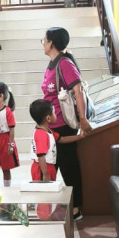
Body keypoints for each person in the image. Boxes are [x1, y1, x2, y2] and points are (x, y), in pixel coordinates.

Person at [41, 27, 92, 219]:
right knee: (59, 165)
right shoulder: (52, 64)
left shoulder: (64, 63)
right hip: (52, 124)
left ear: (51, 43)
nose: (43, 43)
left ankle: (76, 208)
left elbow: (78, 91)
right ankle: (67, 203)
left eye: (43, 40)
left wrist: (83, 119)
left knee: (69, 166)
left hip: (63, 123)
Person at [29, 99, 58, 181]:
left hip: (47, 167)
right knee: (44, 192)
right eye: (54, 113)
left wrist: (80, 136)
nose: (55, 115)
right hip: (42, 169)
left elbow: (61, 139)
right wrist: (45, 174)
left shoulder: (47, 131)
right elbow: (41, 156)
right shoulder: (41, 134)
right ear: (48, 118)